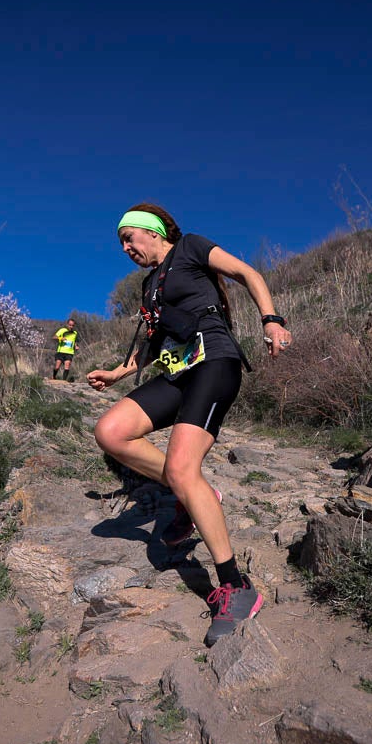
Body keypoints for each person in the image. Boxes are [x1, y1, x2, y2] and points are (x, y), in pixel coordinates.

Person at [87, 203, 293, 646]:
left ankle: (235, 586)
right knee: (111, 432)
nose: (124, 248)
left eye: (128, 238)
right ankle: (194, 494)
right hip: (176, 371)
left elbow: (248, 274)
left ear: (154, 232)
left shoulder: (191, 247)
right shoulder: (149, 286)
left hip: (214, 361)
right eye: (120, 243)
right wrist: (117, 373)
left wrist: (271, 319)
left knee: (183, 469)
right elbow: (150, 345)